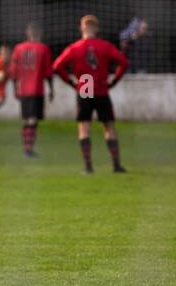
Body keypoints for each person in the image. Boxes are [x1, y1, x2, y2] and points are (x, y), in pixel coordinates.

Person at [51, 15, 129, 174]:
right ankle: (116, 165)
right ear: (97, 28)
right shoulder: (105, 46)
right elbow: (124, 63)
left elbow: (57, 66)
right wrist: (114, 81)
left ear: (82, 27)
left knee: (84, 128)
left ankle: (88, 167)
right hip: (101, 87)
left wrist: (72, 82)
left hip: (85, 86)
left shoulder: (75, 47)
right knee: (108, 126)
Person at [10, 24, 55, 157]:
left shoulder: (18, 48)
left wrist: (15, 88)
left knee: (26, 119)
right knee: (33, 120)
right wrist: (52, 89)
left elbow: (13, 71)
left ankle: (26, 147)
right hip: (36, 89)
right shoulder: (43, 48)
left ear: (27, 32)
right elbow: (48, 72)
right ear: (40, 33)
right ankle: (28, 149)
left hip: (23, 90)